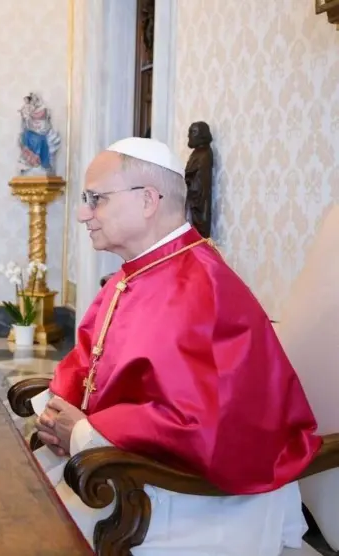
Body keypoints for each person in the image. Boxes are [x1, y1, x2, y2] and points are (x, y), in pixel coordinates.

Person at [31, 137, 321, 555]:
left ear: (148, 199)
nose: (82, 214)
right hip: (122, 464)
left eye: (96, 199)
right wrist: (56, 416)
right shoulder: (132, 276)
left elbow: (203, 427)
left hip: (198, 501)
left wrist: (81, 432)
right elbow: (87, 364)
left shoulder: (202, 286)